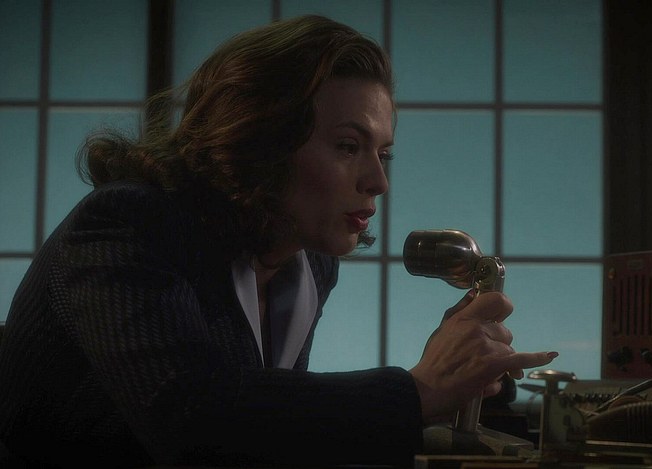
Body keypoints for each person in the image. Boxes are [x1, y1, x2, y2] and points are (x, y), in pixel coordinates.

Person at [0, 15, 557, 468]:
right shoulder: (127, 223)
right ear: (257, 144)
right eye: (348, 147)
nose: (378, 181)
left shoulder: (310, 263)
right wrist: (417, 391)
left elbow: (268, 430)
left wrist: (458, 381)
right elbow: (190, 418)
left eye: (383, 153)